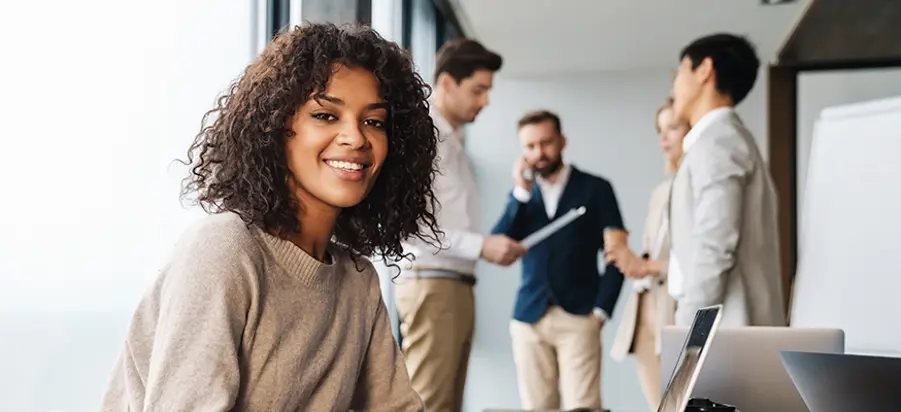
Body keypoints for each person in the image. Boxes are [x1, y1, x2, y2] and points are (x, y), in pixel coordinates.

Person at [100, 23, 438, 411]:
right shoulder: (224, 250)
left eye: (374, 121)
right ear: (277, 127)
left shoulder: (357, 282)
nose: (356, 138)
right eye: (326, 116)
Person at [396, 38, 523, 412]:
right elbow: (410, 227)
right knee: (428, 404)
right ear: (447, 83)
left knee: (447, 404)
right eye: (478, 90)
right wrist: (480, 246)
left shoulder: (452, 140)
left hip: (452, 285)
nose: (484, 101)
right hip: (433, 284)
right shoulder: (424, 139)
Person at [491, 110, 626, 411]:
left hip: (580, 316)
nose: (539, 153)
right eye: (530, 146)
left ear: (562, 141)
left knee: (584, 407)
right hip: (529, 318)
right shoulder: (522, 197)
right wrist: (520, 194)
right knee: (537, 408)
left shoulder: (596, 188)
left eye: (546, 142)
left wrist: (601, 310)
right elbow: (497, 245)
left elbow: (618, 253)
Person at [667, 33, 785, 327]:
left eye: (680, 73)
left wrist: (687, 326)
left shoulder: (719, 142)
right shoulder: (724, 140)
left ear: (705, 70)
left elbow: (715, 243)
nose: (674, 86)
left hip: (724, 331)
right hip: (727, 328)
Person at [607, 98, 686, 411]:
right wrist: (628, 258)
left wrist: (646, 265)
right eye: (660, 130)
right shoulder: (661, 192)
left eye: (673, 128)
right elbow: (653, 253)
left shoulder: (696, 188)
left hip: (675, 311)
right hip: (644, 315)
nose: (664, 138)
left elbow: (701, 261)